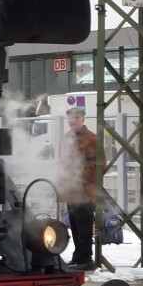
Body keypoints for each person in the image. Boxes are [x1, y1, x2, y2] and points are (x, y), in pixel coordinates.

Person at [56, 105, 97, 269]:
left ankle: (85, 258)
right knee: (75, 226)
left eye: (77, 118)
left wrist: (79, 179)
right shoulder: (65, 138)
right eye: (71, 118)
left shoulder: (92, 139)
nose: (73, 121)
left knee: (84, 227)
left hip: (84, 192)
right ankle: (78, 256)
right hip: (71, 190)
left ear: (83, 119)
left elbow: (97, 165)